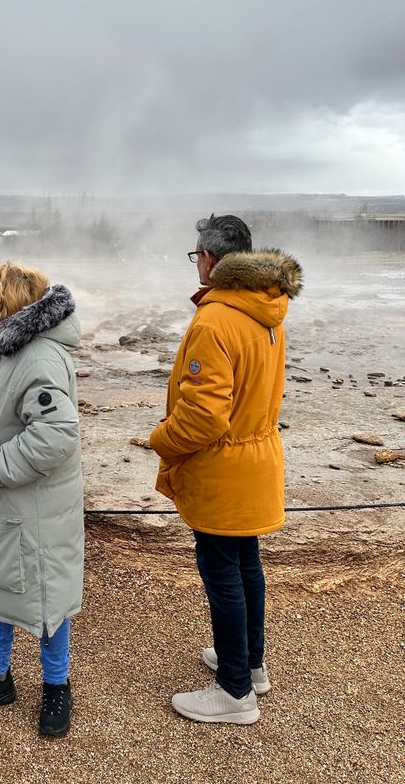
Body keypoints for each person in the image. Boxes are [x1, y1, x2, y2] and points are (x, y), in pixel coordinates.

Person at [149, 214, 302, 725]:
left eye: (197, 255)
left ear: (212, 259)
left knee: (223, 576)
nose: (197, 264)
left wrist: (159, 440)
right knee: (246, 567)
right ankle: (250, 665)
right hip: (257, 460)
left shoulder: (215, 319)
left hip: (223, 469)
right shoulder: (268, 308)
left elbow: (204, 417)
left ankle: (235, 692)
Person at [0, 261, 83, 737]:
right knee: (0, 584)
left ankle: (57, 685)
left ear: (2, 302)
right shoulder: (15, 347)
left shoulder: (38, 357)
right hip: (12, 507)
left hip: (33, 509)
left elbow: (57, 434)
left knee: (47, 593)